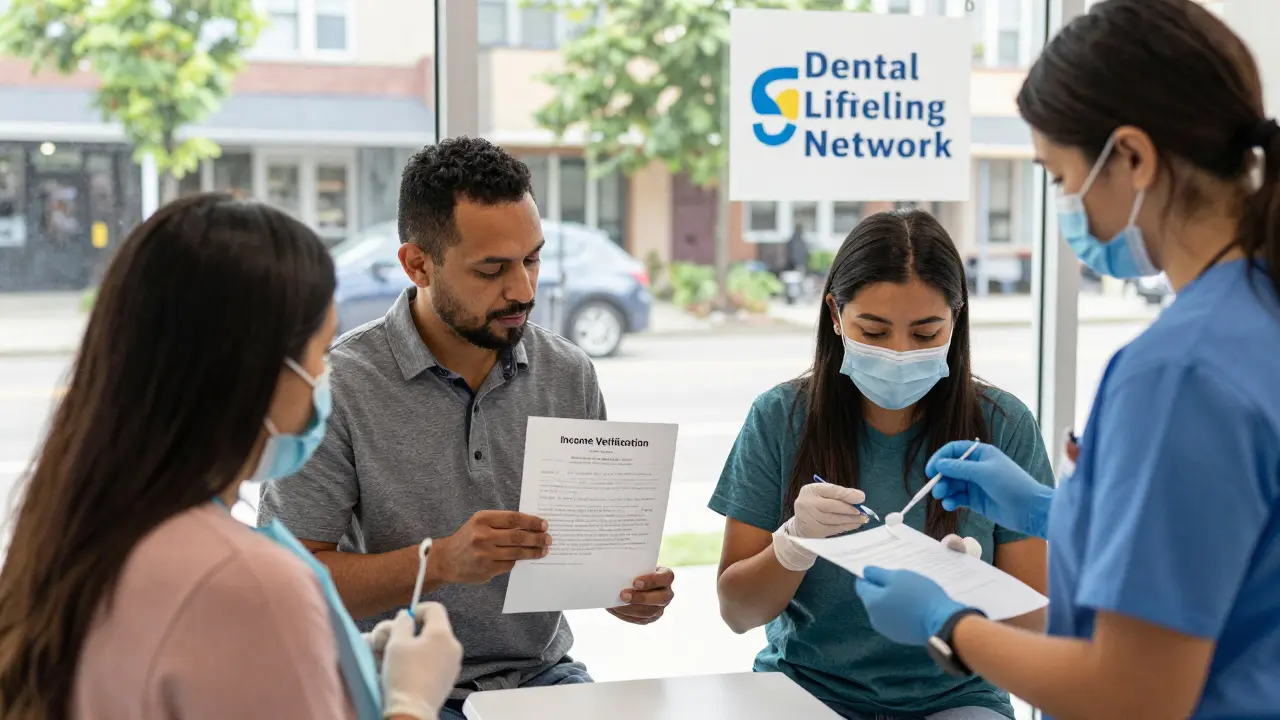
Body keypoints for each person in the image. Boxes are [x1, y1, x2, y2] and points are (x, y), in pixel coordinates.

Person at [853, 2, 1280, 718]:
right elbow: (1232, 543)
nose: (1063, 205)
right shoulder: (1257, 315)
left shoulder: (1179, 372)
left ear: (1134, 159)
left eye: (1057, 177)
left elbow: (1132, 693)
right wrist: (1055, 509)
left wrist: (948, 623)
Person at [0, 194, 462, 720]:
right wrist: (411, 703)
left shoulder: (78, 528)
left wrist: (343, 669)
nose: (325, 375)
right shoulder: (245, 582)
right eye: (321, 351)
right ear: (257, 372)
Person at [260, 137, 676, 719]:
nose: (524, 291)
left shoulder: (567, 373)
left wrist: (623, 591)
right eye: (492, 269)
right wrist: (439, 562)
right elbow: (292, 581)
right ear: (417, 264)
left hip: (543, 681)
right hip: (395, 686)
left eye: (532, 259)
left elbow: (581, 556)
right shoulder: (341, 387)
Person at [710, 208, 1054, 720]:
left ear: (956, 321)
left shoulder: (1002, 425)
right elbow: (738, 612)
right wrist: (793, 545)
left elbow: (1036, 627)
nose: (898, 352)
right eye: (872, 332)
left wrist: (970, 594)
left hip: (956, 699)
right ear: (835, 314)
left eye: (924, 334)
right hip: (806, 692)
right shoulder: (780, 418)